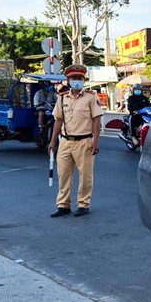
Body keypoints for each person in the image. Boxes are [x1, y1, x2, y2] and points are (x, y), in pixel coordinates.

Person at [48, 64, 103, 218]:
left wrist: (96, 142)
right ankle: (63, 205)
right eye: (74, 78)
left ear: (83, 80)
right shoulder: (62, 98)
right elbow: (58, 121)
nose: (77, 81)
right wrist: (53, 142)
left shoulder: (91, 97)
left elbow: (96, 121)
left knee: (85, 175)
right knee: (64, 175)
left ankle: (83, 204)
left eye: (79, 78)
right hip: (65, 142)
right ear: (68, 80)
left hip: (84, 141)